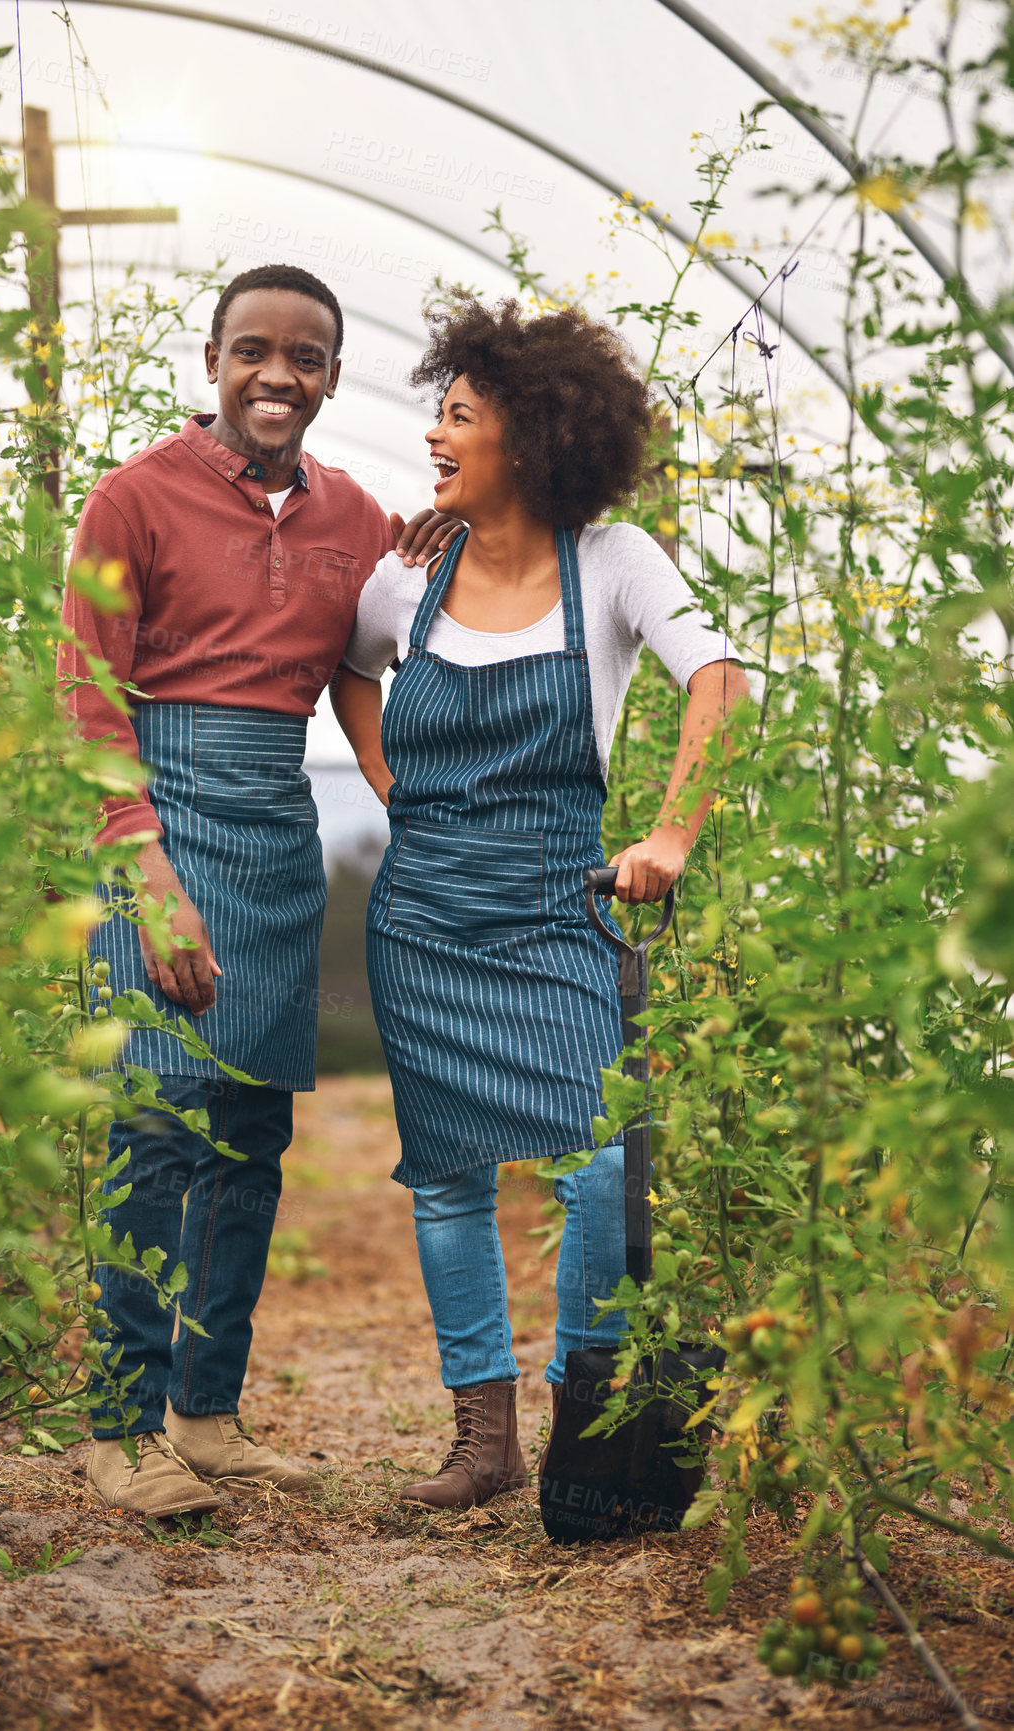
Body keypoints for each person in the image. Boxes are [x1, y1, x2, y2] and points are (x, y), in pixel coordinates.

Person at [332, 297, 749, 1510]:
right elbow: (351, 674)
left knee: (601, 1164)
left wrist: (671, 829)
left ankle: (585, 1414)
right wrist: (384, 777)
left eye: (458, 416)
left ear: (532, 432)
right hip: (421, 918)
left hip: (563, 910)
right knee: (449, 1172)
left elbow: (719, 682)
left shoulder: (612, 562)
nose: (434, 437)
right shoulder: (406, 578)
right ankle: (481, 1438)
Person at [60, 264, 460, 1517]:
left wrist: (431, 555)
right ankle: (116, 1428)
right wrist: (149, 872)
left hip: (277, 821)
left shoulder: (351, 513)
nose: (277, 375)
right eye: (252, 350)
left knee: (249, 1135)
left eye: (305, 356)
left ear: (334, 374)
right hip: (157, 819)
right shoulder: (133, 499)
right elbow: (84, 699)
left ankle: (206, 1413)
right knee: (157, 1117)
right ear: (215, 359)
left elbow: (363, 650)